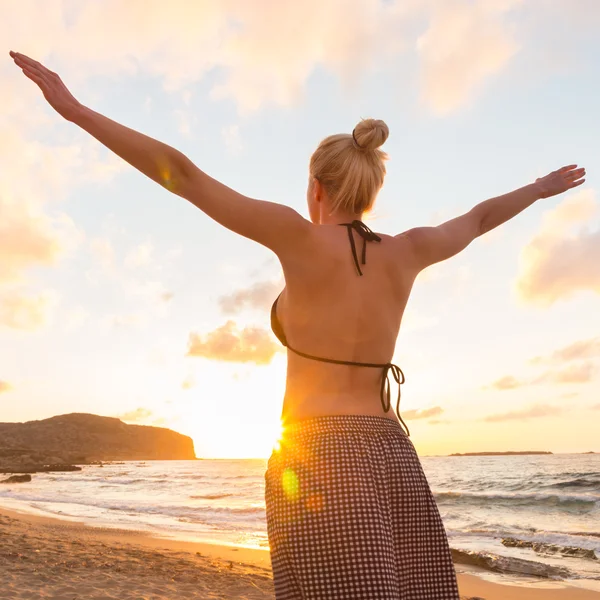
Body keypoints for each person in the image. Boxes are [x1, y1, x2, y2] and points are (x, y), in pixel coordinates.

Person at [10, 51, 586, 599]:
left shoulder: (297, 237)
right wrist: (538, 188)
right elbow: (480, 218)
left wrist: (78, 112)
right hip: (393, 455)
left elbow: (182, 176)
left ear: (315, 186)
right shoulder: (410, 250)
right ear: (370, 189)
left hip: (318, 454)